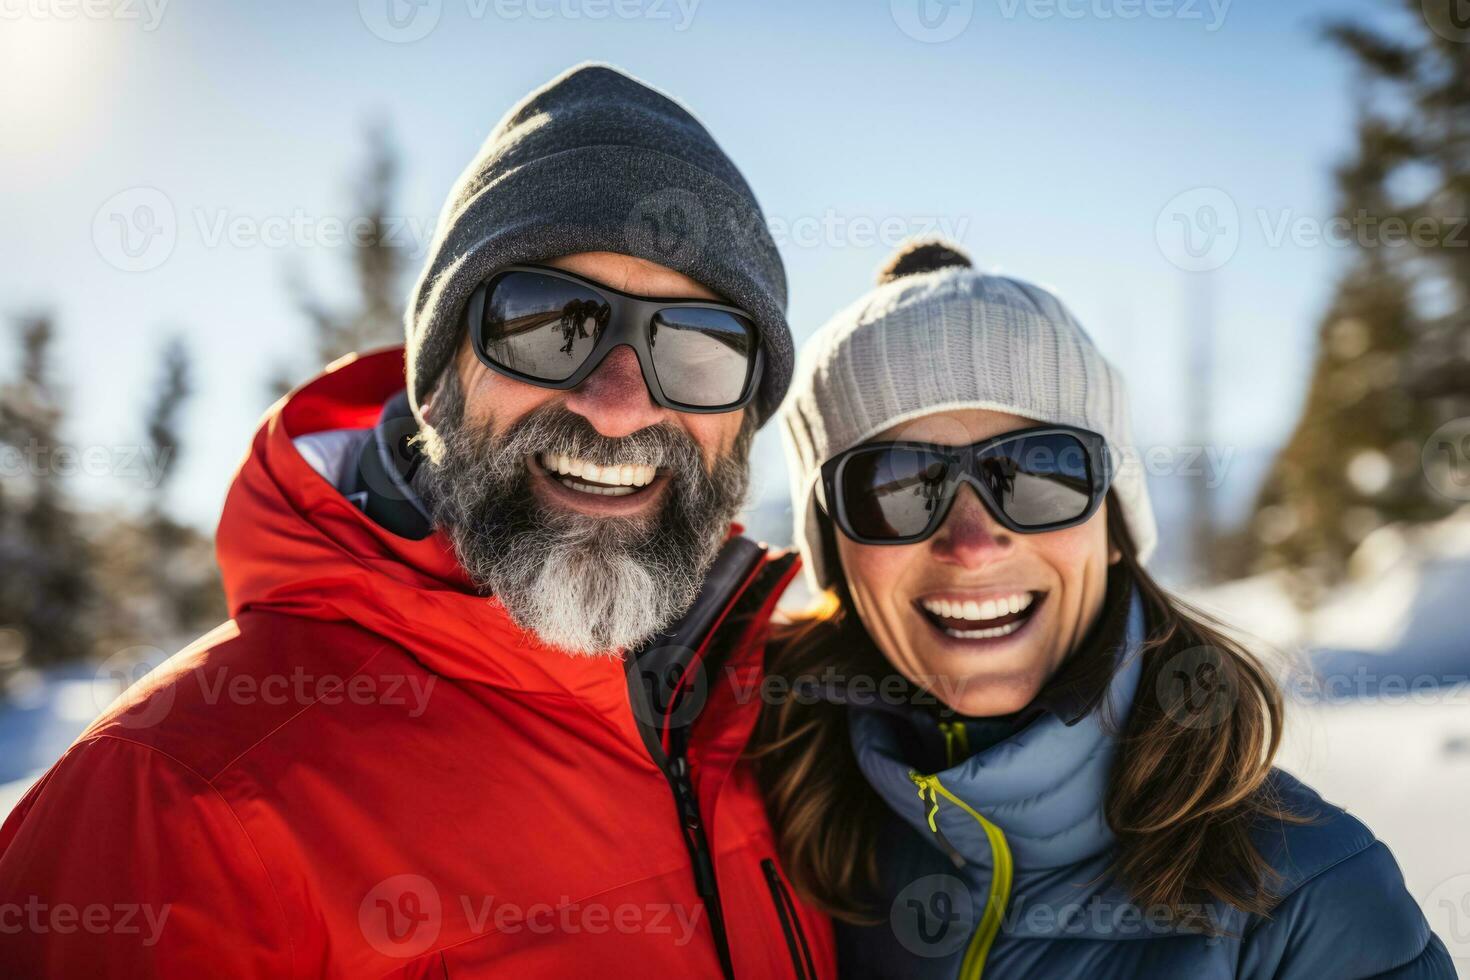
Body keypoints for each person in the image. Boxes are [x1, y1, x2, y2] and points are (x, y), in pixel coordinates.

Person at [0, 64, 832, 978]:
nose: (618, 404)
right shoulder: (177, 801)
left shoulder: (782, 735)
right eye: (550, 322)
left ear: (745, 426)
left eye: (700, 348)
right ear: (436, 387)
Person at [753, 240, 1454, 978]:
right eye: (895, 485)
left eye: (1036, 472)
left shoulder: (1308, 902)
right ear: (835, 552)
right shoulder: (770, 832)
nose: (973, 543)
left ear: (1113, 526)